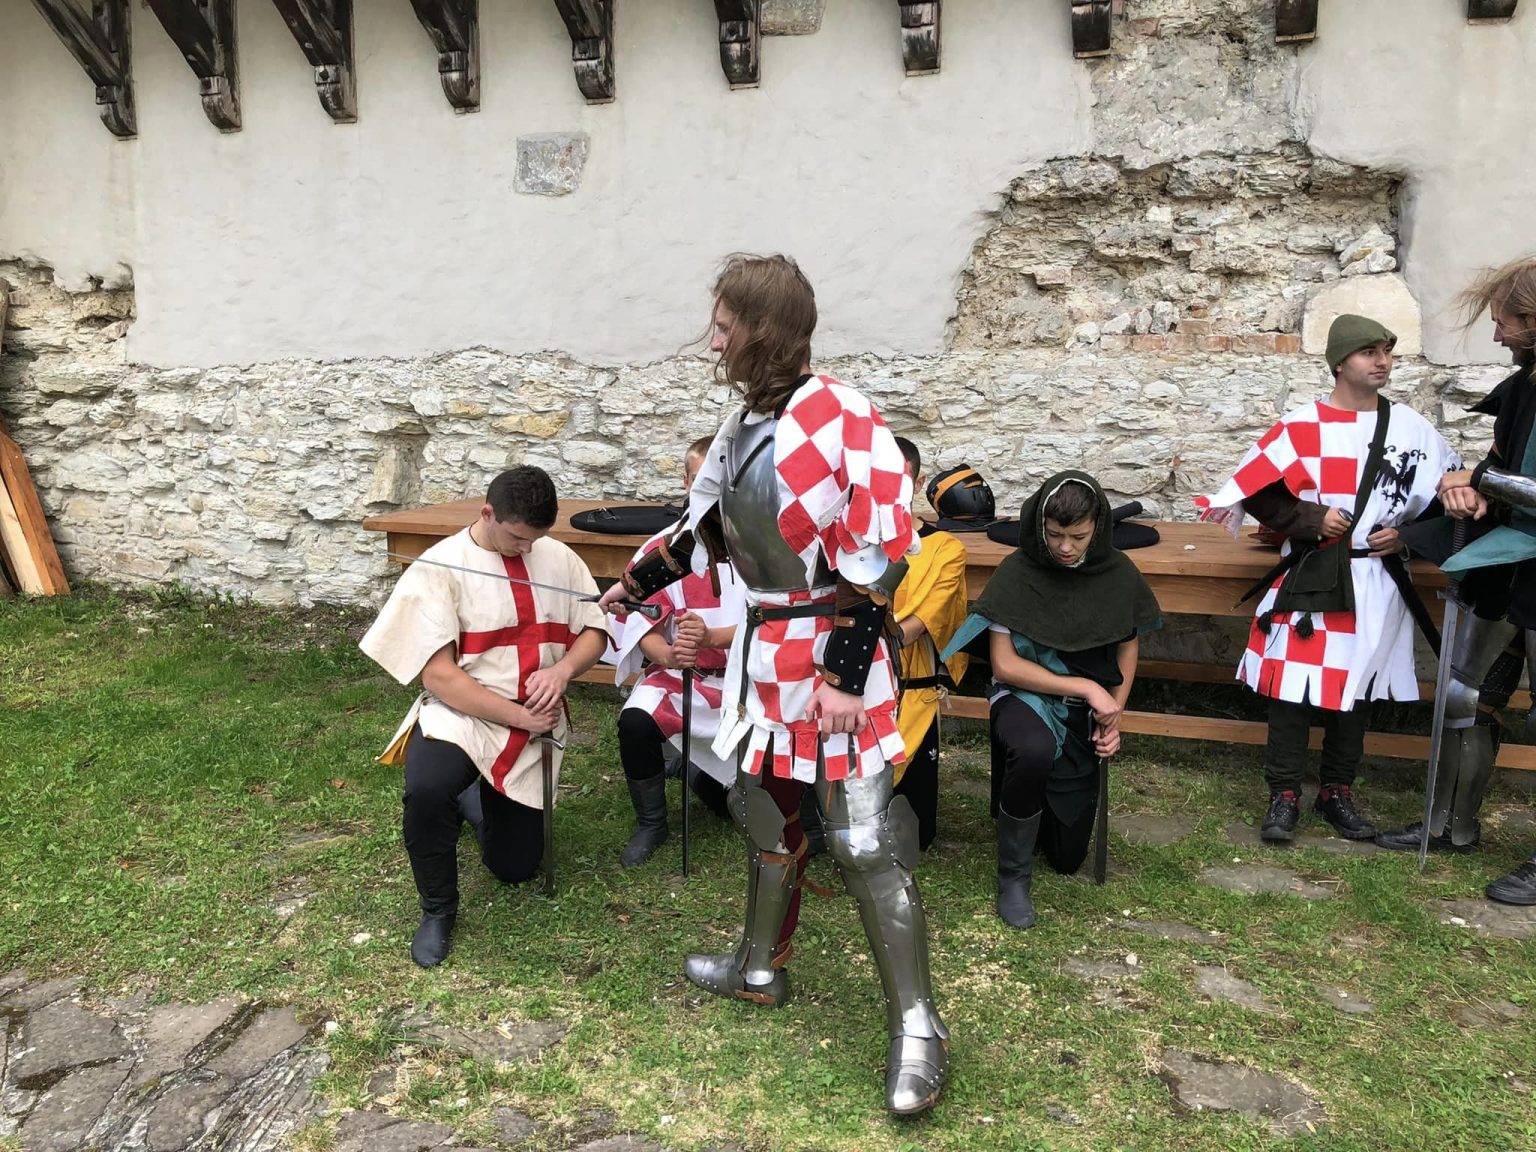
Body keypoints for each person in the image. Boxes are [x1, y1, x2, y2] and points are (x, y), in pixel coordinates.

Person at [599, 254, 947, 1116]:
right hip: (763, 652)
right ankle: (760, 969)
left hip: (834, 655)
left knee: (862, 843)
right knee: (764, 816)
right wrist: (635, 586)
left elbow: (882, 553)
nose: (712, 339)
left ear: (762, 329)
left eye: (723, 325)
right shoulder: (744, 421)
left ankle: (918, 1027)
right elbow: (701, 526)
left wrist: (844, 672)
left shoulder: (843, 415)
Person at [1198, 315, 1460, 844]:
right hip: (1314, 575)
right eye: (1368, 352)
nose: (1381, 360)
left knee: (1356, 686)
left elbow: (1451, 498)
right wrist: (1312, 519)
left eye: (1386, 350)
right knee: (1293, 688)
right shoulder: (1301, 425)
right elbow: (1259, 492)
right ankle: (1284, 794)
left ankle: (1337, 791)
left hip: (1376, 579)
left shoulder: (1412, 429)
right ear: (1340, 362)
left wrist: (1409, 537)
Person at [360, 466, 609, 967]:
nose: (526, 549)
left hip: (535, 718)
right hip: (465, 714)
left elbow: (594, 631)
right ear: (488, 514)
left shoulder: (555, 555)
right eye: (517, 536)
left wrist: (562, 672)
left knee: (515, 868)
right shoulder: (439, 566)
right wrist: (517, 715)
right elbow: (440, 678)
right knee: (428, 790)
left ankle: (478, 801)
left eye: (536, 538)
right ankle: (437, 910)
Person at [1376, 257, 1536, 905]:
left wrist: (1482, 484)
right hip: (1503, 563)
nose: (1496, 334)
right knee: (1463, 696)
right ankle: (1450, 827)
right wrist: (1473, 491)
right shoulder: (1524, 387)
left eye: (1505, 321)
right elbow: (1500, 466)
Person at [944, 472, 1161, 929]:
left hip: (1086, 709)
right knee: (1034, 748)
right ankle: (1013, 876)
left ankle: (1030, 803)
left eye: (1078, 536)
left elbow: (1127, 644)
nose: (1065, 547)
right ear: (1040, 526)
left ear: (1097, 529)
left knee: (1066, 858)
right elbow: (1004, 666)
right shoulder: (1018, 573)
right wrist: (1085, 688)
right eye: (1055, 534)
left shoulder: (1118, 573)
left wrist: (1113, 715)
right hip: (1023, 694)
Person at [608, 436, 743, 866]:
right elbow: (638, 616)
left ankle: (696, 772)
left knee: (740, 813)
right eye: (701, 480)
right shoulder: (663, 549)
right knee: (635, 719)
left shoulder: (762, 548)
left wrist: (713, 638)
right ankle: (651, 822)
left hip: (750, 682)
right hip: (687, 678)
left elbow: (779, 618)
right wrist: (667, 655)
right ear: (686, 481)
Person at [890, 435, 971, 849]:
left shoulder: (944, 550)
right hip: (846, 690)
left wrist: (877, 634)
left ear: (917, 483)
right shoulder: (844, 543)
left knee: (914, 835)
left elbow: (920, 622)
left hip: (910, 689)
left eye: (899, 476)